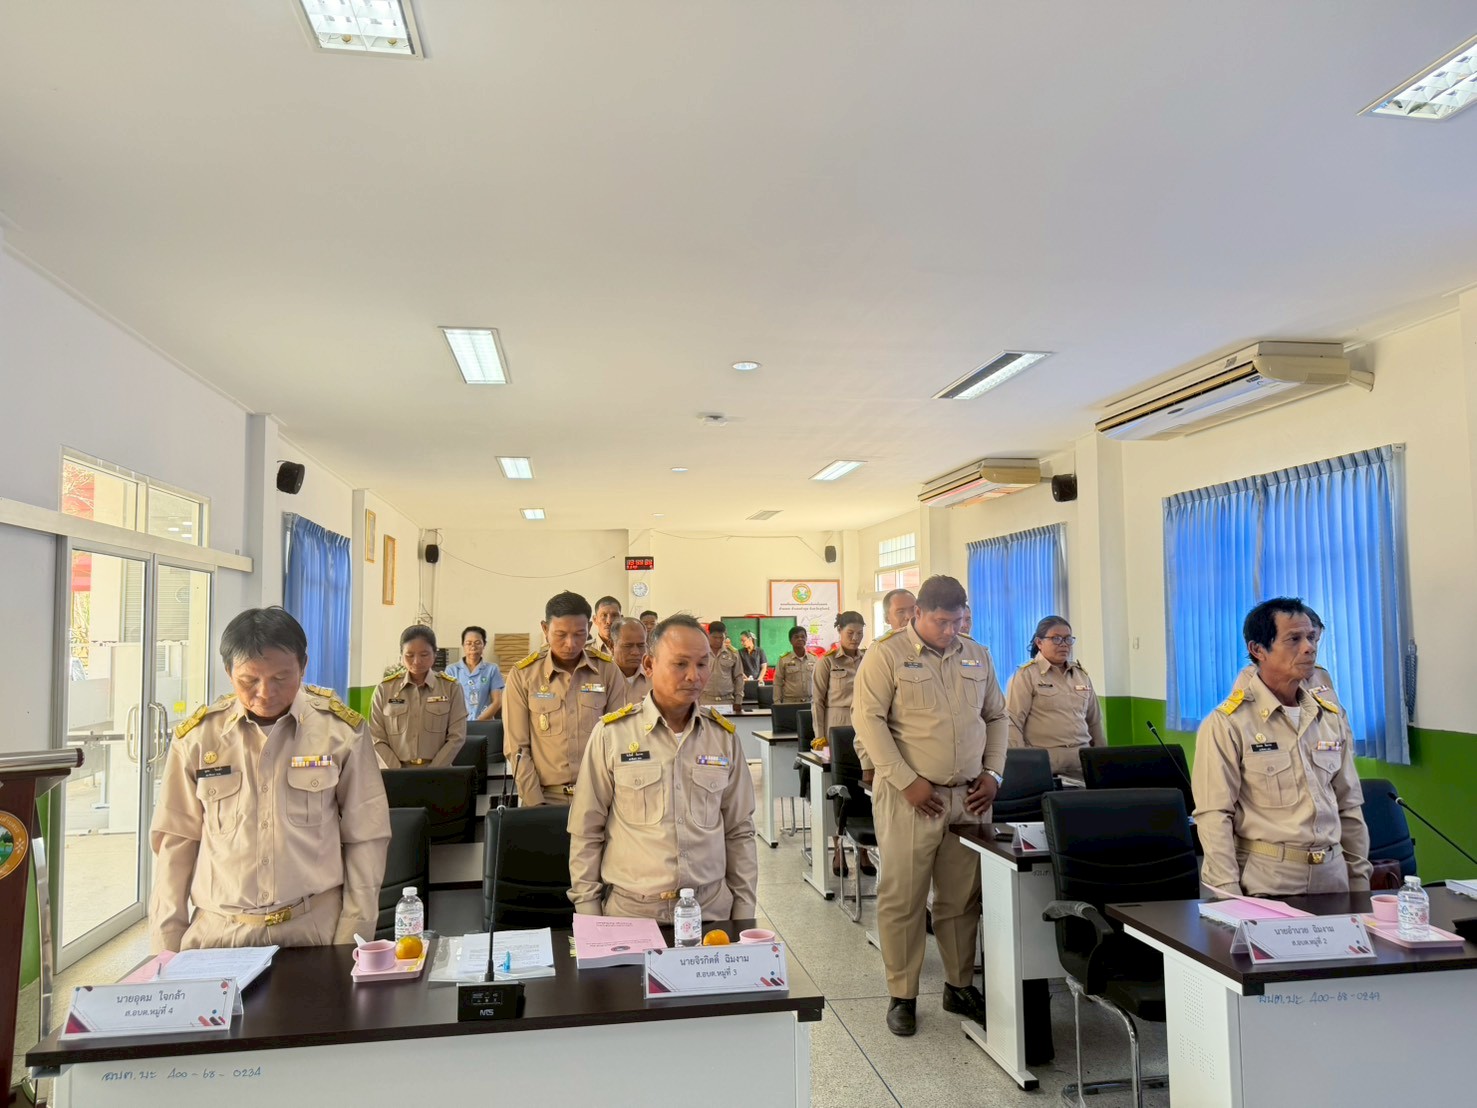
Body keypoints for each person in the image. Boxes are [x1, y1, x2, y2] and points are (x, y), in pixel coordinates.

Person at [149, 607, 389, 952]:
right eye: (249, 680)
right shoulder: (198, 739)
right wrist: (166, 947)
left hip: (314, 928)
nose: (265, 692)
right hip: (218, 933)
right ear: (229, 672)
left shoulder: (341, 733)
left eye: (281, 678)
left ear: (303, 667)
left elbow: (366, 836)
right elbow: (176, 844)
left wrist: (353, 934)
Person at [853, 575, 1006, 1036]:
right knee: (904, 897)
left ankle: (959, 986)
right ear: (918, 613)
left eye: (957, 621)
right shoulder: (886, 655)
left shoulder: (977, 654)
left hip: (969, 798)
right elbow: (869, 721)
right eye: (942, 621)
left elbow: (997, 716)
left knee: (961, 899)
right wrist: (906, 781)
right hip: (911, 799)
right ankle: (902, 994)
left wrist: (994, 774)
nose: (950, 630)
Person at [568, 615, 758, 922]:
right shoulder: (612, 735)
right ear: (649, 665)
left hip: (710, 910)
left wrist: (744, 910)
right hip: (633, 914)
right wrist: (590, 916)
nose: (694, 676)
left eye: (702, 664)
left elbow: (739, 831)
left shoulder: (723, 738)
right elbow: (586, 831)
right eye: (680, 664)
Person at [1192, 597, 1371, 897]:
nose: (1309, 647)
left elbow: (1348, 806)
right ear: (1258, 650)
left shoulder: (1329, 716)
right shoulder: (1229, 723)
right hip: (1268, 880)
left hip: (1332, 877)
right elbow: (1214, 816)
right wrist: (1228, 895)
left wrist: (1359, 883)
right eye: (1294, 639)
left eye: (1311, 637)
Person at [504, 591, 624, 806]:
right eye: (561, 634)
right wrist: (535, 803)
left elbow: (618, 739)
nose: (570, 643)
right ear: (545, 629)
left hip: (599, 796)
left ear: (589, 627)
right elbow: (517, 748)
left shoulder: (607, 670)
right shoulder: (523, 675)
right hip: (545, 797)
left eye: (579, 634)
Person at [1006, 616, 1106, 777]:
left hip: (1082, 762)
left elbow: (1094, 721)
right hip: (1045, 763)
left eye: (1068, 639)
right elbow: (1013, 723)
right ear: (1039, 642)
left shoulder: (1081, 675)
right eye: (1056, 639)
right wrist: (1022, 765)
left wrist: (1102, 760)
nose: (1064, 644)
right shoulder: (1025, 676)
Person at [812, 610, 873, 875]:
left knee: (864, 790)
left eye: (860, 633)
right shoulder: (826, 662)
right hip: (836, 732)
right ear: (839, 632)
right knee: (837, 791)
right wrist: (819, 737)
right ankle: (838, 849)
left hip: (865, 732)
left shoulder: (869, 658)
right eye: (850, 633)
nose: (855, 638)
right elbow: (818, 702)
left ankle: (863, 851)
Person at [370, 626, 468, 769]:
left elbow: (457, 736)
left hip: (439, 774)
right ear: (401, 656)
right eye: (409, 655)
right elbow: (376, 737)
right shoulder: (384, 689)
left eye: (424, 654)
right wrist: (398, 772)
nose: (416, 661)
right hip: (394, 773)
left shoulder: (451, 688)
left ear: (434, 655)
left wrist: (432, 772)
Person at [1230, 607, 1339, 708]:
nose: (1310, 648)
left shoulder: (1320, 674)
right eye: (1295, 639)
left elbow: (1339, 719)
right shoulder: (1251, 676)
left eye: (1313, 639)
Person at [444, 625, 505, 720]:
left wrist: (478, 722)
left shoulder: (492, 669)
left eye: (477, 643)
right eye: (468, 643)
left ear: (484, 645)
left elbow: (497, 701)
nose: (473, 647)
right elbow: (446, 702)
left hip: (484, 724)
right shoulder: (451, 670)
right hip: (458, 724)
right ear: (463, 645)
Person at [700, 620, 745, 714]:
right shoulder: (701, 652)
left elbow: (739, 677)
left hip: (726, 701)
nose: (718, 640)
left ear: (725, 636)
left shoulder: (733, 653)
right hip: (705, 700)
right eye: (714, 637)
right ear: (708, 635)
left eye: (721, 637)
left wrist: (738, 700)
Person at [610, 616, 652, 706]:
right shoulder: (600, 677)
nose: (635, 652)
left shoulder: (655, 679)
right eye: (628, 646)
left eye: (641, 646)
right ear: (611, 645)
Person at [772, 625, 815, 703]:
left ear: (806, 639)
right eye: (796, 637)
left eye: (803, 636)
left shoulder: (814, 658)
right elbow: (778, 682)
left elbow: (820, 681)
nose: (800, 639)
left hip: (810, 701)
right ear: (790, 640)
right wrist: (777, 702)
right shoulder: (784, 659)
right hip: (790, 702)